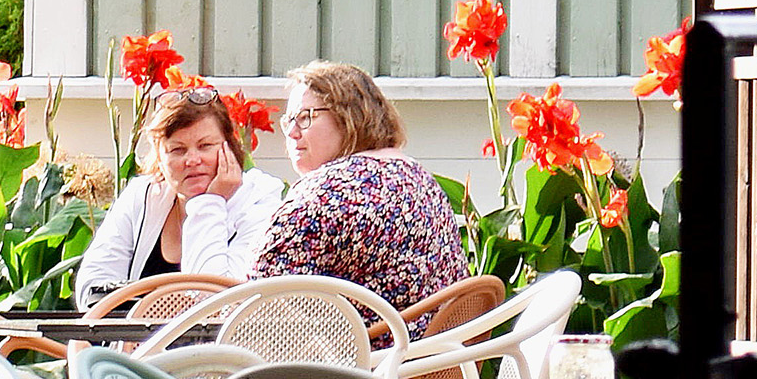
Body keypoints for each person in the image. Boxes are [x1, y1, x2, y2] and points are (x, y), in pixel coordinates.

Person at [248, 60, 473, 307]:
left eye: (305, 117)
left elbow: (261, 293)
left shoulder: (325, 195)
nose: (292, 132)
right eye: (288, 120)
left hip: (371, 333)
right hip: (439, 331)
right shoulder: (421, 180)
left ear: (349, 117)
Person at [76, 84, 284, 302]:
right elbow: (92, 288)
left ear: (230, 147)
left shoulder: (259, 202)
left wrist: (210, 202)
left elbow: (215, 301)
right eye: (178, 150)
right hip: (133, 326)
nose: (192, 160)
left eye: (205, 146)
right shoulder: (142, 195)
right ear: (159, 158)